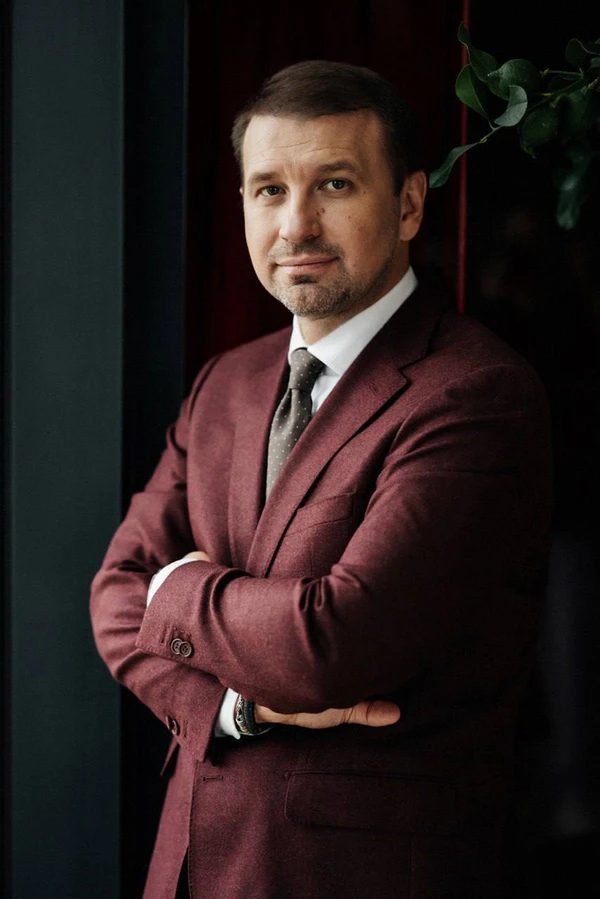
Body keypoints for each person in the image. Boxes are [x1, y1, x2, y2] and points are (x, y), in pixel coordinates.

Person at [90, 60, 552, 899]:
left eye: (334, 184)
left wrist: (176, 588)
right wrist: (237, 708)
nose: (296, 223)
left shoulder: (477, 393)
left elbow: (334, 643)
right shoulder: (224, 384)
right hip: (187, 868)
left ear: (408, 203)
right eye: (269, 190)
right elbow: (115, 596)